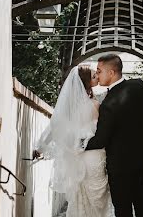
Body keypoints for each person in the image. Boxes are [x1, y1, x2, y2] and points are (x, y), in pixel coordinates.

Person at [33, 64, 113, 217]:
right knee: (97, 197)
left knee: (80, 196)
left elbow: (53, 128)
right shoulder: (95, 104)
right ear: (86, 82)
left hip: (78, 156)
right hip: (95, 155)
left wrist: (40, 148)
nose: (97, 77)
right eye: (93, 76)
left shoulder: (68, 107)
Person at [85, 54, 143, 217]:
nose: (97, 75)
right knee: (142, 201)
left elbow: (101, 139)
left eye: (99, 71)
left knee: (122, 207)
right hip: (140, 155)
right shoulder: (138, 85)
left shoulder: (108, 103)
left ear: (111, 73)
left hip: (119, 163)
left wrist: (79, 144)